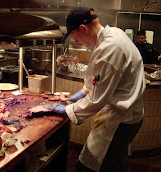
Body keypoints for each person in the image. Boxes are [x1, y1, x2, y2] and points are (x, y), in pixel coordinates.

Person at [44, 7, 145, 172]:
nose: (76, 40)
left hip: (120, 118)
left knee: (89, 166)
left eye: (75, 36)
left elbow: (97, 100)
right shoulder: (114, 33)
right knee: (114, 163)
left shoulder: (110, 48)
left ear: (83, 28)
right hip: (127, 114)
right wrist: (72, 98)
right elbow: (94, 84)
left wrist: (66, 109)